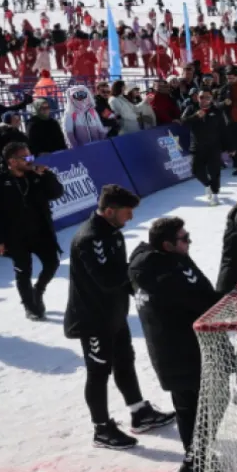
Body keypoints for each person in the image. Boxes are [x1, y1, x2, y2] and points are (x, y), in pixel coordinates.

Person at [64, 185, 176, 449]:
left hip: (114, 314)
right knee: (98, 372)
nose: (131, 217)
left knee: (124, 361)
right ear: (110, 211)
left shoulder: (112, 232)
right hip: (93, 320)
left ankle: (139, 412)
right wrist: (139, 265)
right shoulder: (90, 238)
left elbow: (122, 277)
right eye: (127, 212)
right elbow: (107, 279)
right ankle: (101, 429)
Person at [128, 217, 224, 472]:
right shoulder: (165, 272)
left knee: (194, 405)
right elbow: (203, 302)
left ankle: (197, 457)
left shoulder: (160, 263)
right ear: (167, 245)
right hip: (181, 352)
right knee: (198, 407)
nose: (189, 242)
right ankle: (195, 462)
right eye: (184, 239)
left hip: (177, 349)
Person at [0, 141, 64, 319]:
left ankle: (38, 290)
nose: (30, 160)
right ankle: (29, 306)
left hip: (40, 232)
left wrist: (46, 175)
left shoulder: (35, 176)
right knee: (23, 271)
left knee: (52, 263)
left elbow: (57, 193)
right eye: (25, 158)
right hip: (15, 236)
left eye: (30, 156)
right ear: (12, 161)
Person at [184, 89, 228, 205]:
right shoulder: (191, 108)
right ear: (197, 98)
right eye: (201, 97)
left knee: (214, 171)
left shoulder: (217, 110)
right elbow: (183, 121)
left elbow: (224, 129)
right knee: (196, 170)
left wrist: (229, 146)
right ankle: (207, 185)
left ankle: (215, 194)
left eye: (207, 97)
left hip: (214, 147)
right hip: (197, 146)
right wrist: (195, 116)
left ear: (211, 99)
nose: (204, 100)